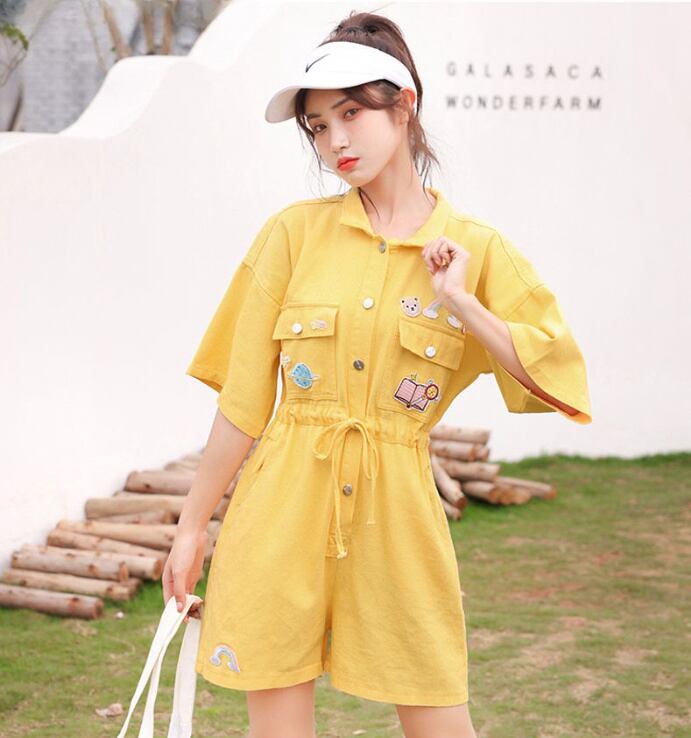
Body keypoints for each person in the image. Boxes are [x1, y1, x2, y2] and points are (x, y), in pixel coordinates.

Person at [163, 11, 592, 738]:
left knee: (440, 718)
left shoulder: (476, 250)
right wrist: (190, 527)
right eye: (318, 125)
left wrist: (461, 302)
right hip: (279, 511)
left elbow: (555, 377)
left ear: (404, 105)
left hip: (397, 518)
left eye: (351, 113)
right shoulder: (291, 235)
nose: (335, 141)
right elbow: (243, 401)